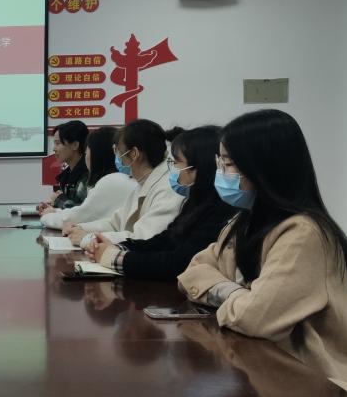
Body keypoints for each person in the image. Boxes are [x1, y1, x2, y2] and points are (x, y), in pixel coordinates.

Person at [178, 109, 347, 396]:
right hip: (269, 369)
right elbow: (193, 270)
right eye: (220, 162)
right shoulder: (243, 221)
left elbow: (255, 318)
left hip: (325, 385)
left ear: (264, 168)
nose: (220, 172)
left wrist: (220, 292)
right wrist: (235, 293)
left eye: (229, 163)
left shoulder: (303, 233)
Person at [85, 125, 236, 280]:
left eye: (176, 163)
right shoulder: (196, 202)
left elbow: (180, 263)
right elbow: (166, 239)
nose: (172, 169)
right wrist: (119, 247)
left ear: (200, 168)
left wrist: (114, 257)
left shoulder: (221, 210)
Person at [64, 118, 184, 249]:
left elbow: (144, 238)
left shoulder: (168, 188)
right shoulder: (143, 182)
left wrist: (87, 238)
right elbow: (115, 223)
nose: (116, 157)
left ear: (134, 154)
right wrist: (81, 228)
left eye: (118, 150)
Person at [40, 127, 136, 230]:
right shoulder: (120, 179)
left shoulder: (111, 181)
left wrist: (47, 216)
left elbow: (76, 218)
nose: (85, 156)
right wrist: (55, 212)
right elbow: (83, 212)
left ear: (97, 155)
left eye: (87, 152)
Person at [38, 120, 89, 213]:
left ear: (75, 145)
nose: (54, 149)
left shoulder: (88, 175)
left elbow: (83, 211)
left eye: (58, 143)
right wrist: (51, 204)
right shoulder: (66, 175)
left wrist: (58, 199)